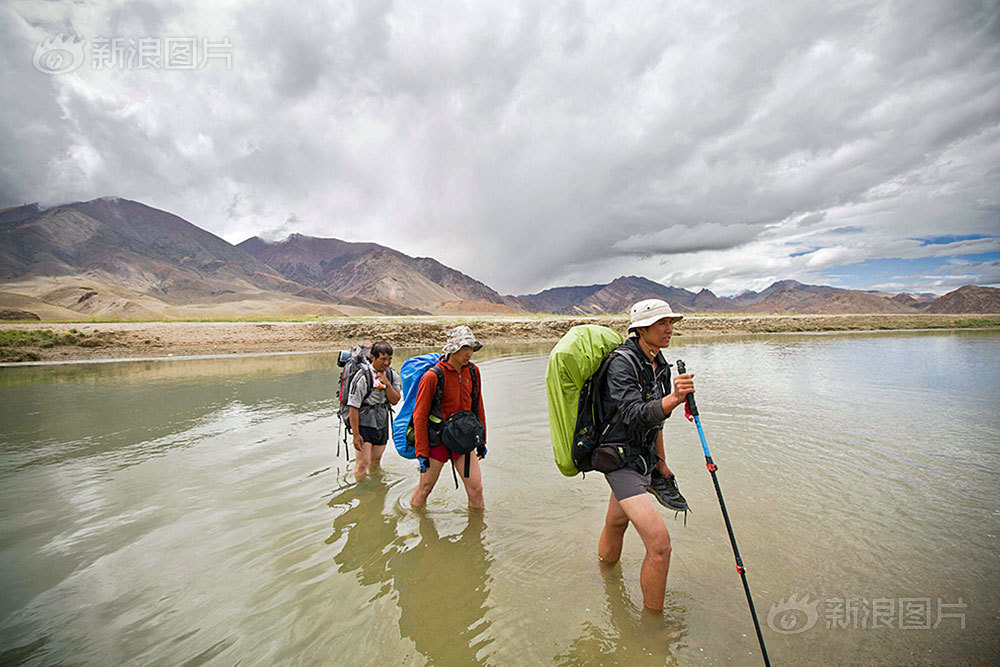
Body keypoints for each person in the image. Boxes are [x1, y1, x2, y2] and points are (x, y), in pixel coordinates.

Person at [596, 299, 695, 611]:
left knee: (616, 523)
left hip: (644, 456)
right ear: (641, 329)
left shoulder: (659, 362)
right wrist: (675, 398)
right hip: (619, 457)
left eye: (671, 323)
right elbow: (633, 414)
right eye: (662, 323)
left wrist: (661, 463)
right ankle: (653, 625)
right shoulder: (621, 363)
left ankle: (604, 577)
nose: (669, 329)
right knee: (660, 545)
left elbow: (656, 422)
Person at [410, 325, 487, 509]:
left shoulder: (473, 372)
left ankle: (476, 535)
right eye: (464, 348)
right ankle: (416, 520)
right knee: (425, 488)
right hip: (437, 440)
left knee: (476, 490)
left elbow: (478, 406)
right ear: (453, 348)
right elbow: (419, 416)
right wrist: (421, 452)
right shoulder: (432, 377)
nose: (469, 353)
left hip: (464, 438)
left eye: (471, 348)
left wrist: (481, 439)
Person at [347, 340, 401, 481]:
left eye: (389, 359)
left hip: (381, 421)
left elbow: (395, 400)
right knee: (362, 463)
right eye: (383, 359)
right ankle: (362, 495)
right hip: (364, 422)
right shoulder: (362, 377)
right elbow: (353, 407)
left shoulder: (392, 375)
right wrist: (356, 435)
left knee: (376, 461)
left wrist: (387, 384)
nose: (387, 363)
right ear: (373, 358)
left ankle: (376, 491)